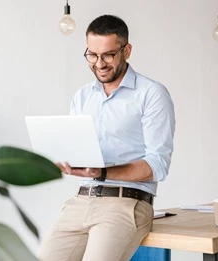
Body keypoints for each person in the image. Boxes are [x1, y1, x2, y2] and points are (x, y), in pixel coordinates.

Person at [38, 14, 175, 261]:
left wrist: (101, 173)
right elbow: (76, 151)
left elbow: (158, 165)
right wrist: (61, 160)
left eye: (108, 55)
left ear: (127, 50)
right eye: (92, 55)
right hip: (81, 201)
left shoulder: (151, 94)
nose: (99, 63)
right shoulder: (82, 97)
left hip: (126, 203)